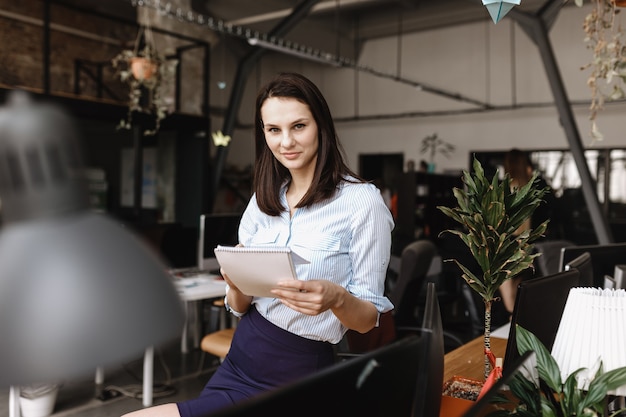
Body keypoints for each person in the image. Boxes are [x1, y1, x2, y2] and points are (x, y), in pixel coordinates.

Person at [122, 72, 394, 417]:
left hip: (297, 372)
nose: (286, 142)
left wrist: (337, 298)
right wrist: (235, 284)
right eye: (273, 130)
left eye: (299, 126)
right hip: (240, 359)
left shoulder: (362, 201)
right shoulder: (263, 201)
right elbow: (239, 305)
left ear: (321, 126)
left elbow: (368, 319)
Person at [498, 148, 557, 314]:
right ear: (526, 166)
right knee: (519, 294)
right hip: (530, 247)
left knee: (512, 300)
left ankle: (513, 319)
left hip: (512, 246)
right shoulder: (535, 191)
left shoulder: (504, 191)